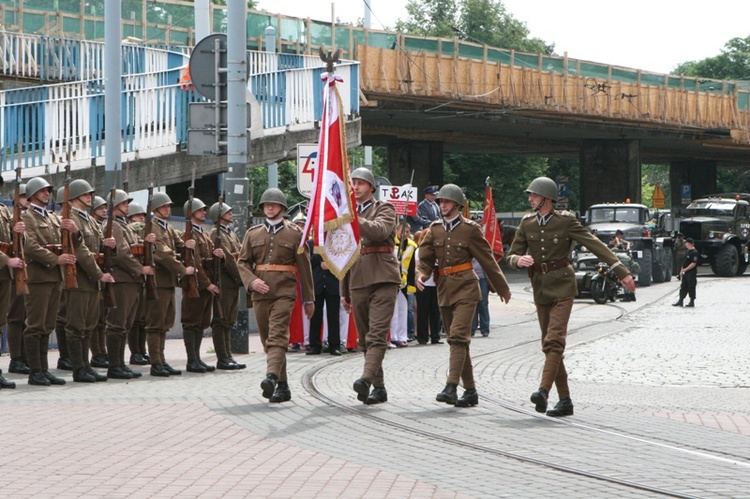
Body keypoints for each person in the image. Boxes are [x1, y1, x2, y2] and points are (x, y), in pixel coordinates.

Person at [506, 177, 636, 417]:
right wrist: (518, 260)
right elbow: (511, 254)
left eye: (533, 195)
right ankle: (565, 400)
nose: (530, 199)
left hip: (564, 286)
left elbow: (594, 244)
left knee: (554, 341)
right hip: (540, 287)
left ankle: (543, 391)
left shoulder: (566, 221)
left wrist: (621, 271)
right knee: (549, 346)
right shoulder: (527, 224)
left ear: (546, 198)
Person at [417, 184, 511, 408]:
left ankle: (451, 386)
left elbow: (487, 259)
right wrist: (422, 275)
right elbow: (426, 257)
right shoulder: (435, 228)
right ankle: (470, 391)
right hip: (444, 289)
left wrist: (502, 287)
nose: (442, 205)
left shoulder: (470, 229)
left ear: (458, 205)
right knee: (460, 343)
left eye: (447, 202)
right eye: (440, 202)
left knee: (458, 337)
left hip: (467, 288)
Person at [237, 188, 314, 403]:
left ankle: (270, 377)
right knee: (267, 340)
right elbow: (242, 262)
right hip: (260, 293)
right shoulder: (253, 233)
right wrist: (251, 281)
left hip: (284, 292)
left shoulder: (295, 233)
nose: (270, 207)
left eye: (274, 204)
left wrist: (309, 299)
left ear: (282, 207)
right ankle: (283, 385)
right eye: (266, 205)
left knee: (278, 336)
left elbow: (305, 268)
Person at [341, 167, 401, 405]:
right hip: (357, 279)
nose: (355, 187)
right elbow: (343, 252)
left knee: (376, 335)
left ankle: (365, 379)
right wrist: (344, 290)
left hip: (383, 276)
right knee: (365, 338)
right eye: (353, 183)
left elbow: (380, 231)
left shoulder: (384, 208)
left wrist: (352, 218)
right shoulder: (346, 214)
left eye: (360, 183)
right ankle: (379, 387)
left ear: (371, 187)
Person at [22, 177, 80, 386]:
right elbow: (30, 246)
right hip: (39, 278)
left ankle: (43, 370)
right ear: (32, 194)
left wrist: (75, 231)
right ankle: (35, 371)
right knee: (35, 325)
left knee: (47, 326)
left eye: (48, 190)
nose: (47, 193)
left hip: (56, 277)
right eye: (42, 190)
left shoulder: (54, 218)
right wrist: (56, 259)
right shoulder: (27, 217)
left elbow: (69, 243)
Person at [64, 180, 115, 383]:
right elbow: (80, 251)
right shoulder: (70, 219)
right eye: (85, 194)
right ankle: (79, 369)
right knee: (76, 326)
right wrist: (98, 274)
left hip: (93, 280)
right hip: (79, 279)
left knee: (88, 325)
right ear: (75, 197)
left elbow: (97, 247)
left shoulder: (90, 220)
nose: (89, 197)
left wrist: (109, 245)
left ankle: (86, 366)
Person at [105, 189, 155, 380]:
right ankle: (114, 365)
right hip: (123, 279)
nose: (127, 206)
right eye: (124, 203)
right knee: (117, 323)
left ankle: (119, 363)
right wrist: (140, 269)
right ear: (116, 204)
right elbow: (123, 253)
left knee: (125, 324)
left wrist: (148, 242)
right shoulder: (114, 226)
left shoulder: (123, 225)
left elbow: (135, 247)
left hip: (131, 280)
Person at [146, 192, 195, 377]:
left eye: (168, 206)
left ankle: (161, 360)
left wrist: (187, 245)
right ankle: (156, 362)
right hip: (158, 280)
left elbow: (178, 244)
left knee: (165, 322)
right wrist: (183, 270)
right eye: (164, 206)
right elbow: (162, 253)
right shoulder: (153, 226)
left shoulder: (167, 227)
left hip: (167, 281)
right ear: (156, 209)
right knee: (155, 323)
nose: (168, 209)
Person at [180, 197, 223, 373]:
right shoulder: (188, 235)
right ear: (190, 213)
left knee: (201, 322)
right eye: (200, 210)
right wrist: (207, 284)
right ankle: (192, 360)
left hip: (204, 283)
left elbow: (208, 258)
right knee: (191, 322)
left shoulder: (203, 234)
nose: (204, 212)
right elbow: (195, 262)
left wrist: (219, 255)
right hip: (195, 284)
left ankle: (197, 358)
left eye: (204, 210)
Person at [208, 201, 246, 370]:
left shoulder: (230, 233)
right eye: (227, 211)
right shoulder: (215, 234)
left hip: (232, 282)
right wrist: (241, 275)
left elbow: (238, 253)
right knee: (220, 319)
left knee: (229, 320)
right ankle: (222, 357)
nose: (231, 213)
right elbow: (228, 258)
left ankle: (228, 355)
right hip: (224, 280)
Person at [0, 175, 26, 388]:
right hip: (3, 267)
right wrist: (7, 260)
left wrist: (19, 232)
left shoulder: (3, 210)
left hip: (4, 275)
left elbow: (14, 241)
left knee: (0, 323)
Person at [307, 237, 342, 356]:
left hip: (332, 283)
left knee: (333, 316)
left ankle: (334, 345)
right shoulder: (311, 243)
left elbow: (342, 260)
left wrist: (330, 264)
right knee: (315, 316)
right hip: (317, 283)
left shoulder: (337, 241)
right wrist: (319, 260)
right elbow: (306, 262)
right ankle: (314, 345)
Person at [126, 201, 149, 366]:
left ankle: (142, 350)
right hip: (132, 277)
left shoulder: (141, 231)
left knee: (142, 319)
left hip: (143, 279)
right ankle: (135, 352)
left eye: (143, 216)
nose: (141, 219)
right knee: (134, 320)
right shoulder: (133, 229)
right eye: (138, 216)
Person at [89, 195, 110, 368]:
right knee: (94, 319)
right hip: (91, 274)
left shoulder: (101, 226)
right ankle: (96, 353)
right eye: (100, 208)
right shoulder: (92, 225)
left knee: (101, 318)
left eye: (105, 208)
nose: (104, 211)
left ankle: (102, 351)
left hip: (101, 274)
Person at [414, 230, 442, 345]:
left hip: (436, 283)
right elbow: (417, 267)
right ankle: (422, 337)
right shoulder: (419, 251)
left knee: (435, 310)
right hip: (424, 284)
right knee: (423, 310)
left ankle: (435, 335)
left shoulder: (437, 250)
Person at [673, 237, 699, 307]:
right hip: (685, 272)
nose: (685, 244)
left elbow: (693, 263)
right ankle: (680, 300)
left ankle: (692, 301)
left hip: (691, 273)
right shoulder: (687, 251)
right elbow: (684, 262)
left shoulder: (694, 252)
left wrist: (686, 269)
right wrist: (681, 270)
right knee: (683, 286)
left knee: (691, 287)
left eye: (686, 243)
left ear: (689, 243)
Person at [471, 258, 491, 337]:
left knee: (483, 304)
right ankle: (470, 330)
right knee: (471, 304)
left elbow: (491, 262)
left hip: (483, 278)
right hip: (470, 278)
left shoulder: (485, 247)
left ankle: (485, 329)